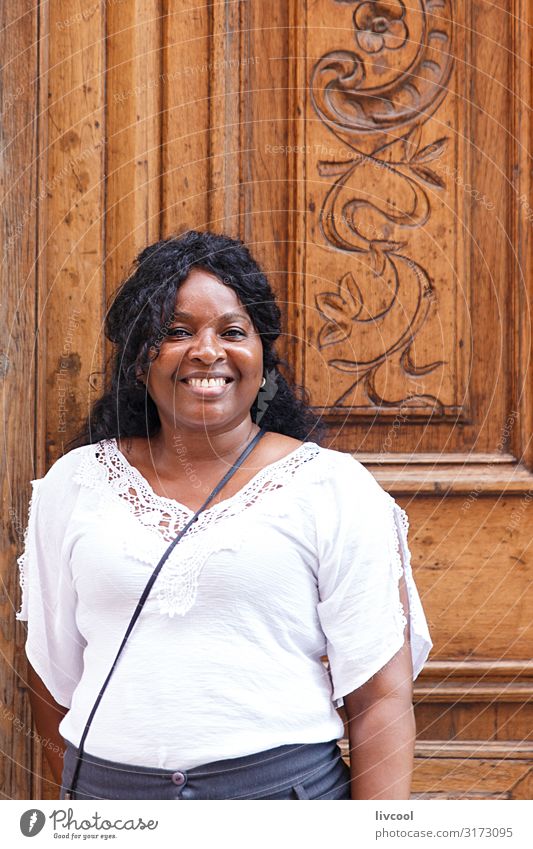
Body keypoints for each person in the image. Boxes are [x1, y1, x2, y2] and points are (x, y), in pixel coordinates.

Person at [16, 229, 432, 800]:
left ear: (263, 359)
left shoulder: (331, 488)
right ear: (141, 360)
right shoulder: (77, 484)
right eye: (176, 332)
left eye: (233, 331)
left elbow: (380, 697)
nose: (207, 351)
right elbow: (52, 677)